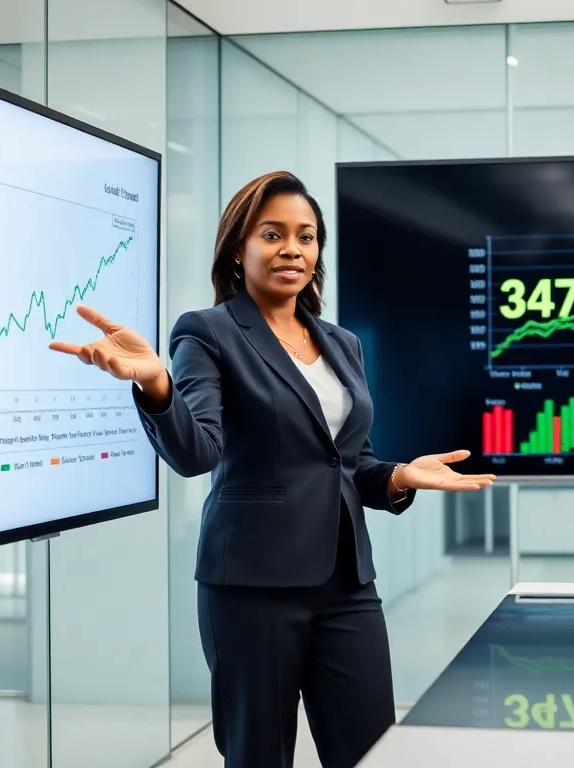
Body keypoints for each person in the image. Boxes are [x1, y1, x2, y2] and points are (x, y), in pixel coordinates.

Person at [50, 171, 496, 768]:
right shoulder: (207, 332)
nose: (292, 249)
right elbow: (196, 452)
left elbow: (348, 462)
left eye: (306, 237)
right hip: (251, 591)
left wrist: (399, 477)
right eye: (272, 234)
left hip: (347, 585)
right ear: (239, 249)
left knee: (371, 752)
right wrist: (157, 385)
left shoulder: (342, 343)